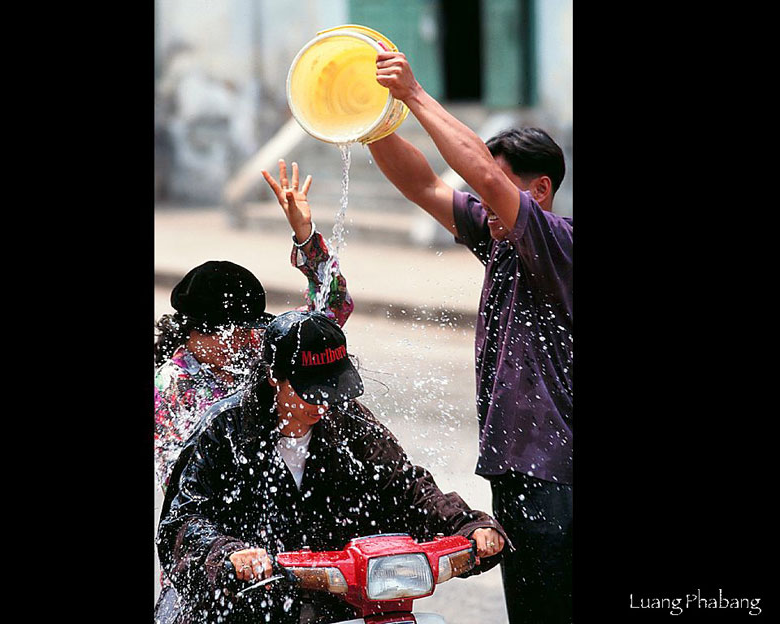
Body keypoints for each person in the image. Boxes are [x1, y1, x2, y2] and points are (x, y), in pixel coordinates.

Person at [367, 52, 573, 623]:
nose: (485, 202)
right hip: (518, 470)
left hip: (555, 474)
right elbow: (425, 184)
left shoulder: (557, 244)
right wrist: (370, 123)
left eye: (502, 188)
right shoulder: (501, 236)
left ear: (539, 190)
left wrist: (413, 95)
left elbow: (478, 173)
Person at [157, 310, 509, 624]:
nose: (323, 405)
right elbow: (182, 523)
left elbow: (405, 485)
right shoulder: (224, 430)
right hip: (239, 607)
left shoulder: (349, 421)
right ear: (274, 378)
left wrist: (467, 523)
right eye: (311, 391)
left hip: (332, 602)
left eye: (332, 389)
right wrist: (230, 554)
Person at [154, 159, 354, 491]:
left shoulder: (260, 345)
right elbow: (179, 484)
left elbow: (333, 307)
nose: (250, 338)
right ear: (198, 332)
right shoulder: (170, 386)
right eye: (239, 330)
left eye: (253, 327)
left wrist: (305, 235)